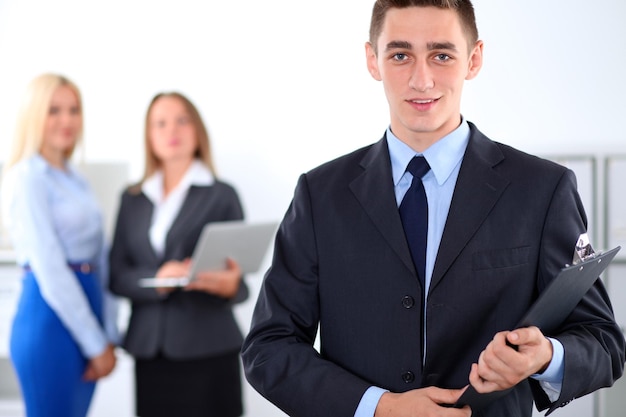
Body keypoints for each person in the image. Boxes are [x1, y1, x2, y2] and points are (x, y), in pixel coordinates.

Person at [240, 1, 626, 417]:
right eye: (400, 55)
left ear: (473, 59)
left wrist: (546, 356)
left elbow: (603, 343)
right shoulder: (319, 195)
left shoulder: (542, 189)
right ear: (373, 60)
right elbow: (269, 347)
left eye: (441, 55)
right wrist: (379, 407)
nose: (421, 80)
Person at [109, 92, 247, 417]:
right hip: (150, 351)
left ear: (197, 129)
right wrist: (157, 281)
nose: (172, 130)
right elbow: (116, 275)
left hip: (208, 347)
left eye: (182, 120)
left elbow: (238, 282)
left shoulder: (221, 195)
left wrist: (225, 284)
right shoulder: (132, 199)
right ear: (149, 136)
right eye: (160, 123)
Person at [0, 73, 118, 417]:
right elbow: (49, 267)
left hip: (87, 310)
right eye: (54, 110)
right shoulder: (27, 177)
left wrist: (107, 332)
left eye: (73, 110)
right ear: (34, 115)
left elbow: (101, 256)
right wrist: (95, 343)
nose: (67, 120)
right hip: (49, 318)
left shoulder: (75, 178)